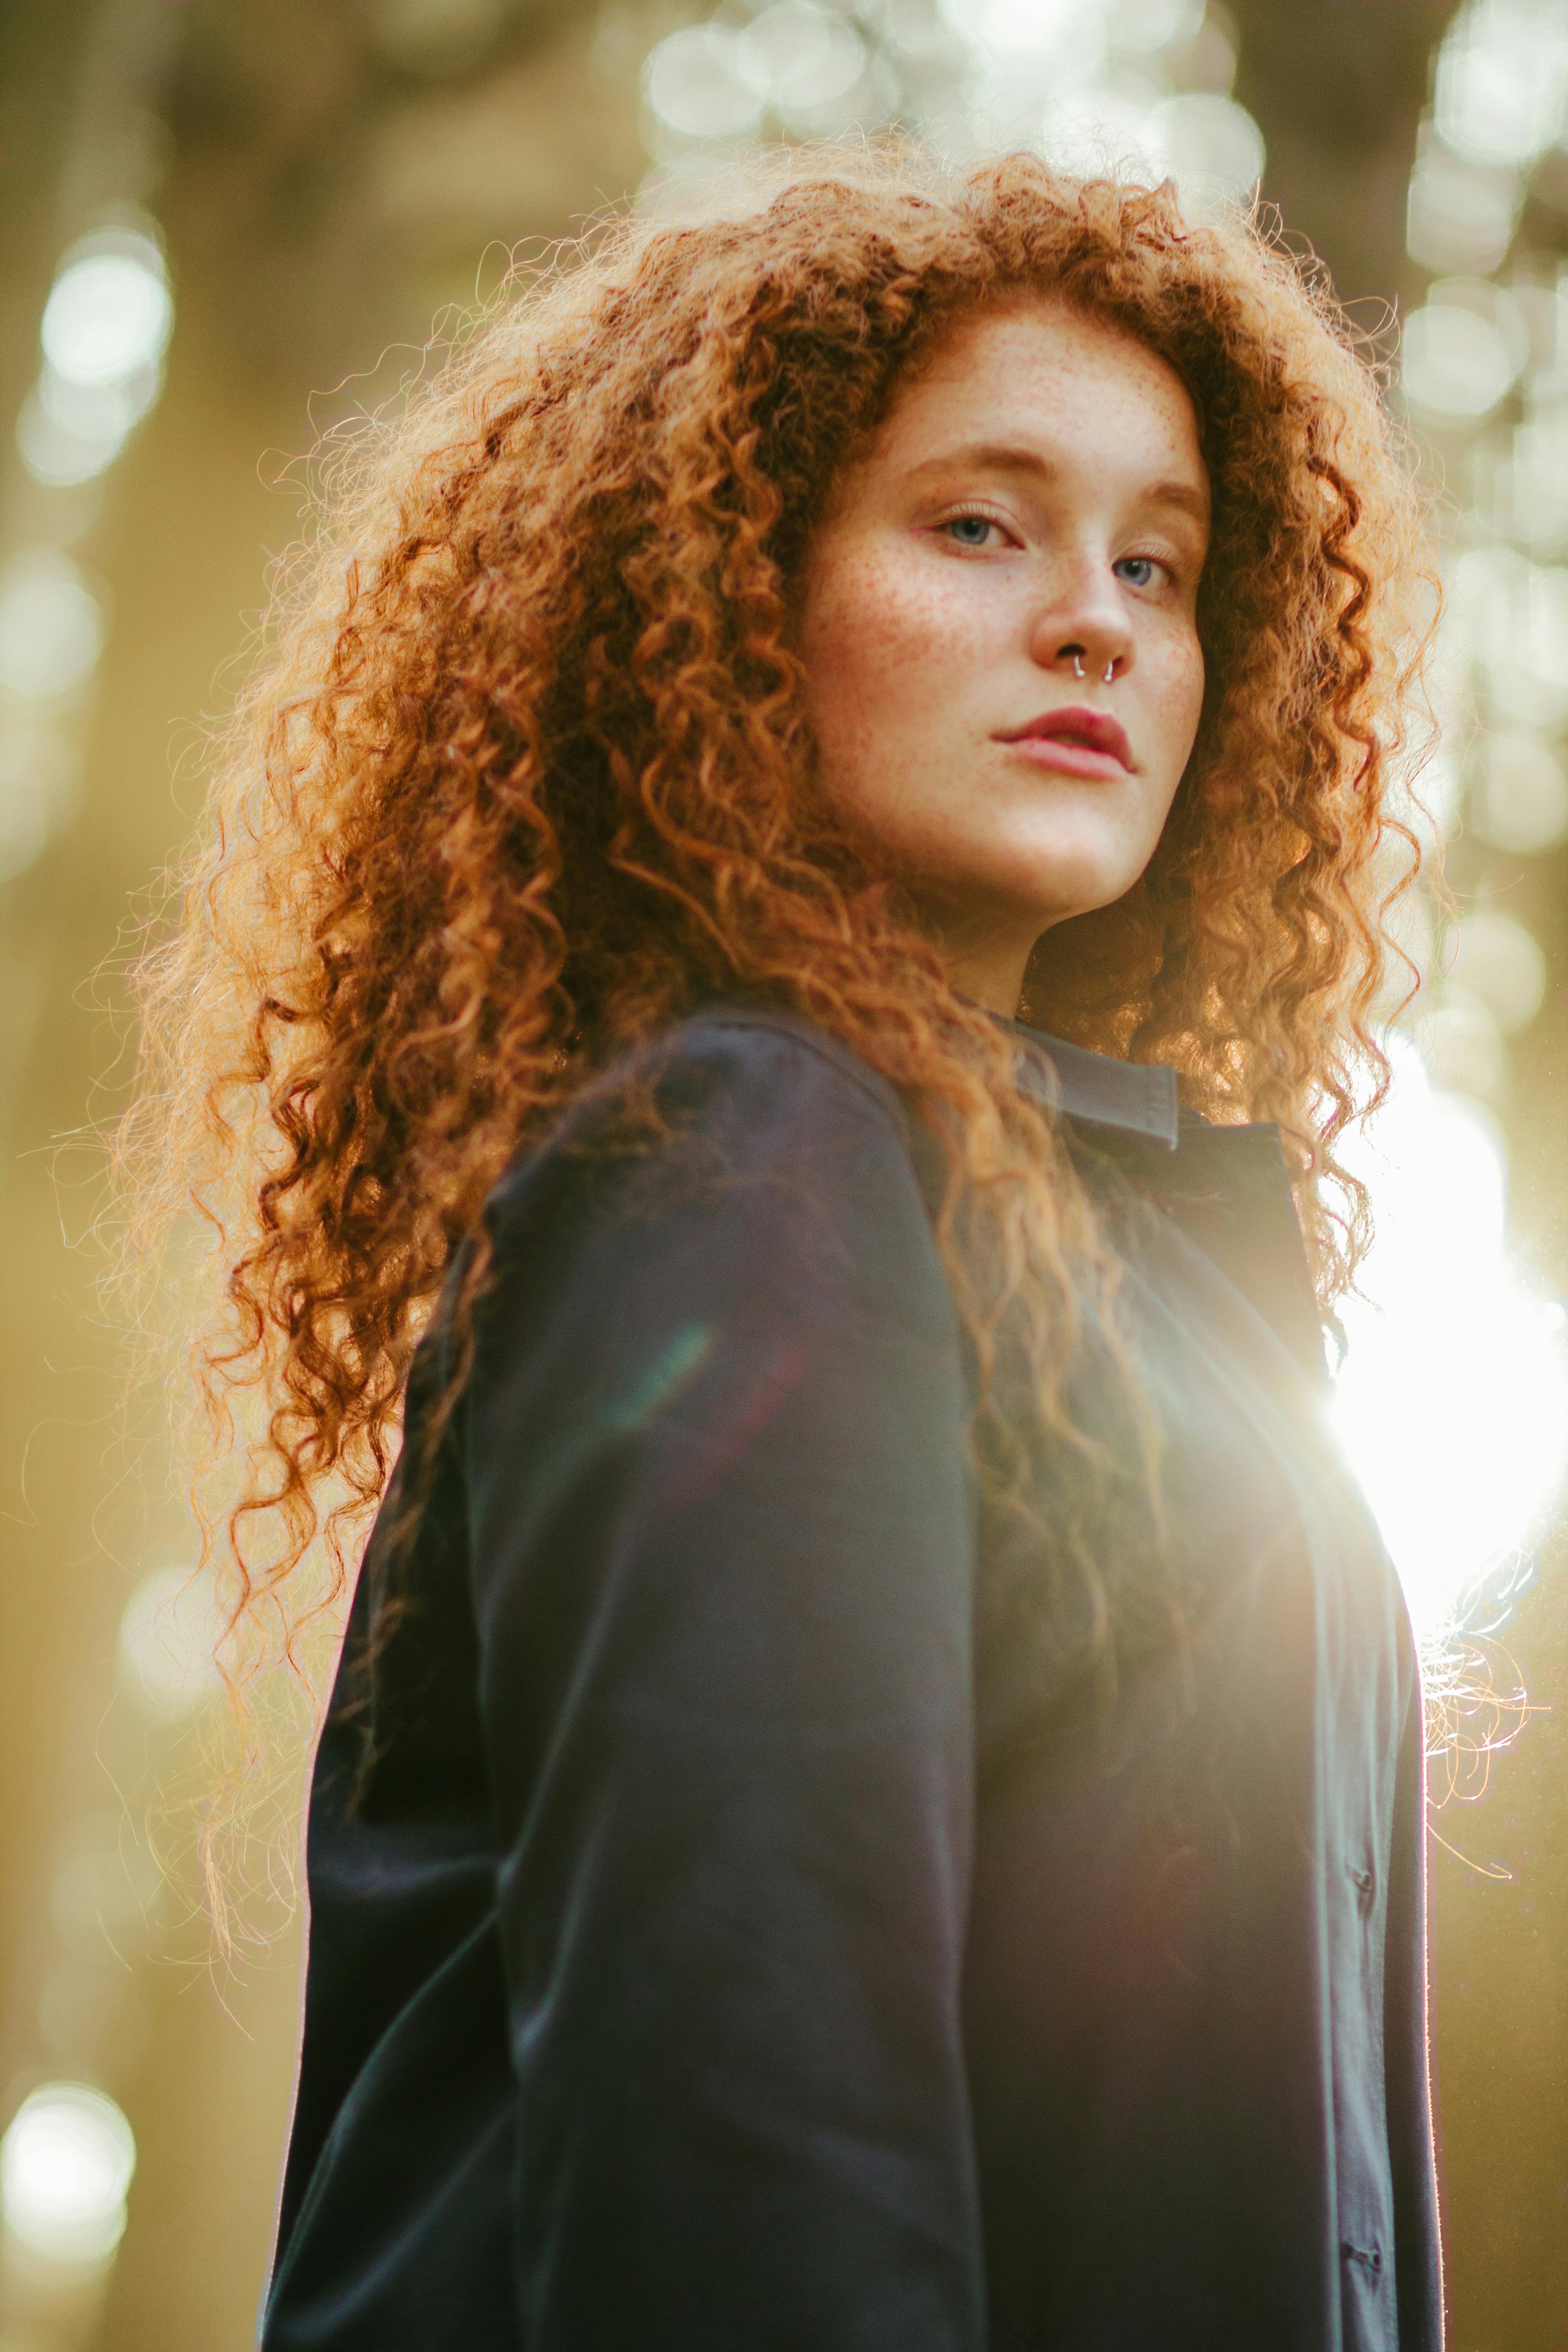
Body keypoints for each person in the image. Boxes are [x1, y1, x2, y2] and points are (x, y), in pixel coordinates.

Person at [121, 150, 1442, 2348]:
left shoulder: (1137, 1275)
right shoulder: (745, 1161)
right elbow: (747, 2126)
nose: (1098, 614)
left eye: (1162, 561)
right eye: (978, 526)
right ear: (737, 591)